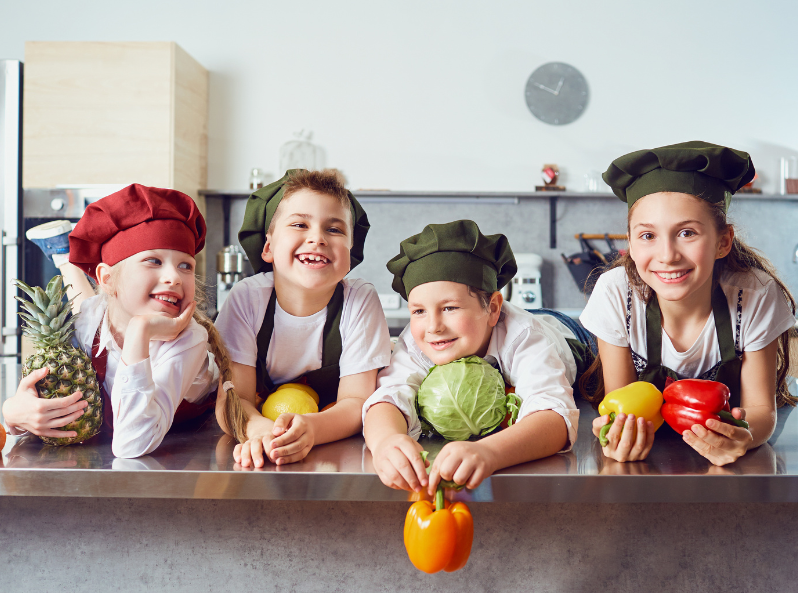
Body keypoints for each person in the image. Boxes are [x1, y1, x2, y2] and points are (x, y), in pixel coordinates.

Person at [580, 141, 796, 466]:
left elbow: (761, 411)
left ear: (723, 241)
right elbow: (619, 400)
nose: (667, 256)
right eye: (648, 236)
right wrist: (618, 440)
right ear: (631, 245)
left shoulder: (754, 295)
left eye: (687, 233)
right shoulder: (615, 293)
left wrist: (745, 437)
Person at [363, 220, 593, 494]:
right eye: (419, 311)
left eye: (449, 307)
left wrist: (488, 452)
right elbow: (389, 395)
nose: (433, 326)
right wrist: (386, 441)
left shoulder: (523, 337)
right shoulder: (418, 339)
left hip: (567, 334)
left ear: (493, 308)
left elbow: (555, 416)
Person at [2, 184, 222, 458]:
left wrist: (139, 333)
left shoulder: (189, 340)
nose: (174, 277)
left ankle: (64, 255)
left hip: (177, 453)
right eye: (153, 261)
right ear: (105, 278)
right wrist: (12, 413)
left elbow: (131, 443)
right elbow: (44, 396)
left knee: (93, 307)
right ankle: (65, 256)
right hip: (102, 303)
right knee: (88, 308)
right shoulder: (89, 322)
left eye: (185, 265)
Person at [215, 169, 391, 467]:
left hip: (332, 446)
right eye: (299, 224)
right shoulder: (247, 299)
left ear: (351, 252)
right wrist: (262, 432)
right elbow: (234, 398)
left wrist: (311, 429)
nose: (317, 238)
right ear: (268, 247)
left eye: (334, 230)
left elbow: (356, 402)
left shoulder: (359, 300)